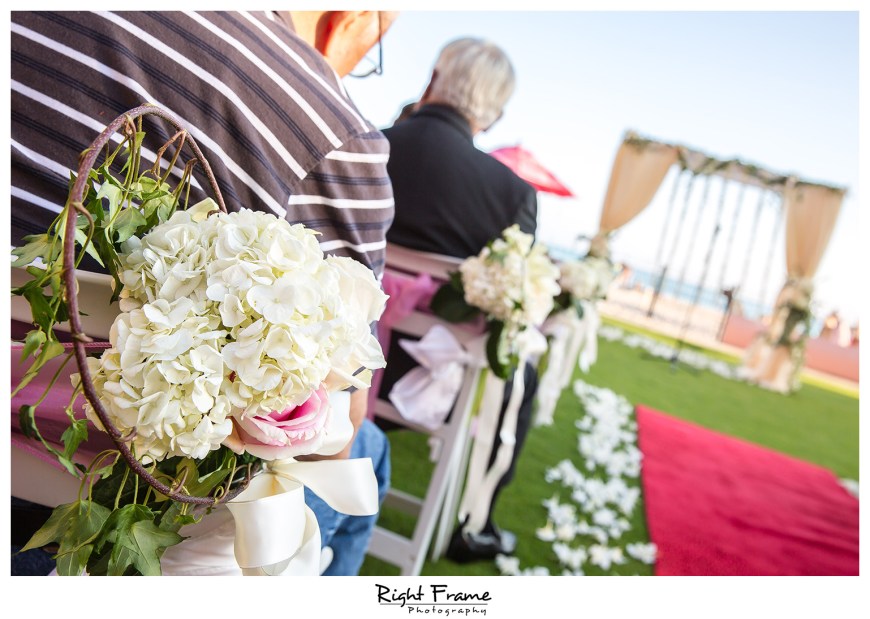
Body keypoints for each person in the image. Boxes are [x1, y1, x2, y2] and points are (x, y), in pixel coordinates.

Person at [10, 10, 397, 576]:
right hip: (113, 526)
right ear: (352, 18)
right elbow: (333, 432)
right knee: (367, 450)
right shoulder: (324, 125)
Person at [379, 37, 537, 562]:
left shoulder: (367, 144)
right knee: (521, 373)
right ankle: (476, 523)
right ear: (492, 116)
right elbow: (508, 312)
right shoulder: (511, 194)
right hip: (420, 383)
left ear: (432, 81)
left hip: (330, 356)